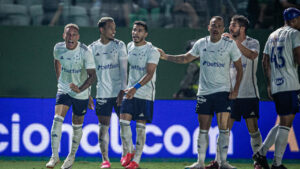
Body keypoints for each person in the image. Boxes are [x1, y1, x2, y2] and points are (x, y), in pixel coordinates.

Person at [159, 16, 243, 169]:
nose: (216, 28)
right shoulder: (201, 43)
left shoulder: (230, 44)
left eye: (219, 26)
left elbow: (239, 68)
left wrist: (235, 89)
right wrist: (165, 56)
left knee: (223, 127)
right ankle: (200, 163)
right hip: (204, 92)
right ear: (208, 27)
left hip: (223, 92)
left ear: (223, 29)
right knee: (203, 128)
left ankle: (223, 162)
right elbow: (185, 58)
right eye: (213, 25)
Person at [206, 15, 262, 169]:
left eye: (234, 25)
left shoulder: (252, 42)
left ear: (242, 28)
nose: (231, 27)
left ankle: (258, 161)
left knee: (253, 129)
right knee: (224, 129)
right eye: (230, 24)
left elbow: (252, 55)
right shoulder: (226, 44)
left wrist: (233, 41)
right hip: (230, 95)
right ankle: (218, 162)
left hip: (249, 93)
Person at [253, 7, 300, 169]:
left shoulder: (272, 35)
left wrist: (269, 84)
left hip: (277, 85)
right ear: (294, 20)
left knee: (283, 123)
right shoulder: (294, 34)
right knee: (286, 124)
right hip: (290, 84)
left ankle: (261, 153)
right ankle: (276, 163)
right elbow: (298, 57)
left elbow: (265, 61)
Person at [45, 23, 96, 169]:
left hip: (81, 91)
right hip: (65, 88)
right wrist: (60, 80)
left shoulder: (85, 51)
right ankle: (54, 157)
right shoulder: (58, 48)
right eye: (68, 34)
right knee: (57, 119)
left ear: (78, 37)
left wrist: (82, 91)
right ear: (64, 36)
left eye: (74, 35)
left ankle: (71, 156)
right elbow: (57, 61)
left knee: (77, 125)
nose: (71, 37)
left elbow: (92, 76)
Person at [88, 17, 128, 169]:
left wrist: (123, 91)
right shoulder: (92, 48)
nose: (114, 30)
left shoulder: (120, 45)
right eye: (110, 27)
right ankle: (105, 160)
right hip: (102, 94)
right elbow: (89, 74)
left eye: (114, 27)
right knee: (103, 127)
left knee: (124, 126)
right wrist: (88, 94)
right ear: (102, 29)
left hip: (119, 93)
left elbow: (124, 70)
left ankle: (125, 157)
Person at [119, 21, 160, 169]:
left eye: (140, 30)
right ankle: (129, 151)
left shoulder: (152, 51)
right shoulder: (129, 46)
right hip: (130, 92)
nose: (136, 33)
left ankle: (136, 160)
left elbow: (149, 74)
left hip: (145, 94)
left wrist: (135, 88)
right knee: (123, 122)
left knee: (140, 128)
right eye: (134, 30)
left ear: (146, 34)